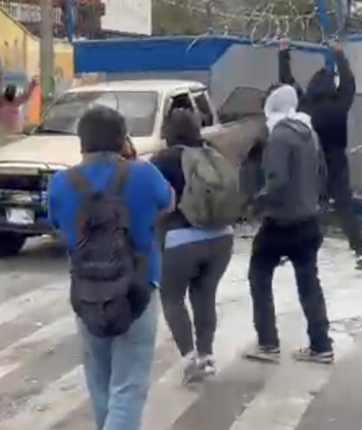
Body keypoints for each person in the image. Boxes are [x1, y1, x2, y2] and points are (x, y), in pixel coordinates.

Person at [47, 106, 174, 430]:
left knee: (100, 386)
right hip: (138, 290)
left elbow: (58, 226)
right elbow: (169, 201)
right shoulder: (143, 174)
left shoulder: (61, 183)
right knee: (128, 388)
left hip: (87, 293)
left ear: (81, 142)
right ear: (123, 140)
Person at [244, 85, 333, 365]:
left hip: (281, 223)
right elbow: (323, 173)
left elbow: (277, 182)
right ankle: (321, 346)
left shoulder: (279, 137)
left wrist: (255, 205)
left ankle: (268, 343)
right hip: (308, 221)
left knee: (258, 276)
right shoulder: (310, 133)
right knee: (309, 283)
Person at [151, 109, 238, 384]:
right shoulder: (214, 155)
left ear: (168, 132)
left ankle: (190, 360)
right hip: (222, 237)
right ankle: (207, 357)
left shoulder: (163, 160)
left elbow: (155, 201)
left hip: (181, 239)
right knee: (204, 295)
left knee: (172, 298)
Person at [278, 40, 362, 270]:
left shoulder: (305, 105)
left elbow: (287, 83)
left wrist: (283, 53)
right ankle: (360, 252)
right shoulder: (340, 103)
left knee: (305, 207)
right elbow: (349, 82)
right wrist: (339, 54)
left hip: (312, 163)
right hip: (337, 161)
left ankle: (293, 249)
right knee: (344, 206)